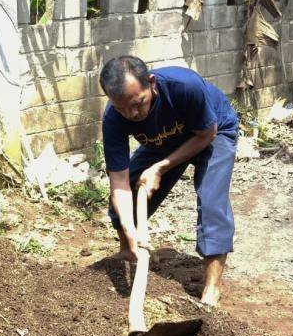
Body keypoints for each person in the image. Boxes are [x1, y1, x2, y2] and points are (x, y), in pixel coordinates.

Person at [99, 56, 239, 306]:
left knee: (211, 202)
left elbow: (207, 133)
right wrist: (131, 229)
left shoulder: (184, 86)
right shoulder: (113, 118)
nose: (133, 114)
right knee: (128, 194)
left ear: (151, 83)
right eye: (123, 108)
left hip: (212, 132)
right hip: (165, 140)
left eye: (138, 103)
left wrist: (161, 167)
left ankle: (211, 289)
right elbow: (118, 182)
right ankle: (128, 252)